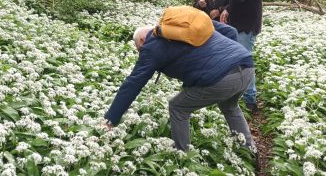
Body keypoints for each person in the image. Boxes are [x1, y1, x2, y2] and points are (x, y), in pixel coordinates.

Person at [103, 20, 255, 151]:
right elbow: (231, 31)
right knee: (229, 107)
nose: (141, 54)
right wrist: (229, 57)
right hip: (246, 66)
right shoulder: (183, 26)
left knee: (178, 107)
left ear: (142, 41)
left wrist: (110, 120)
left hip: (223, 79)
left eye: (138, 50)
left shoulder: (151, 46)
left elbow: (133, 83)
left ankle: (182, 155)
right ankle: (249, 150)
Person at [220, 0, 263, 112]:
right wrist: (227, 9)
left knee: (245, 62)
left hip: (246, 26)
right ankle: (234, 94)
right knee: (235, 60)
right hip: (236, 24)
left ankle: (250, 100)